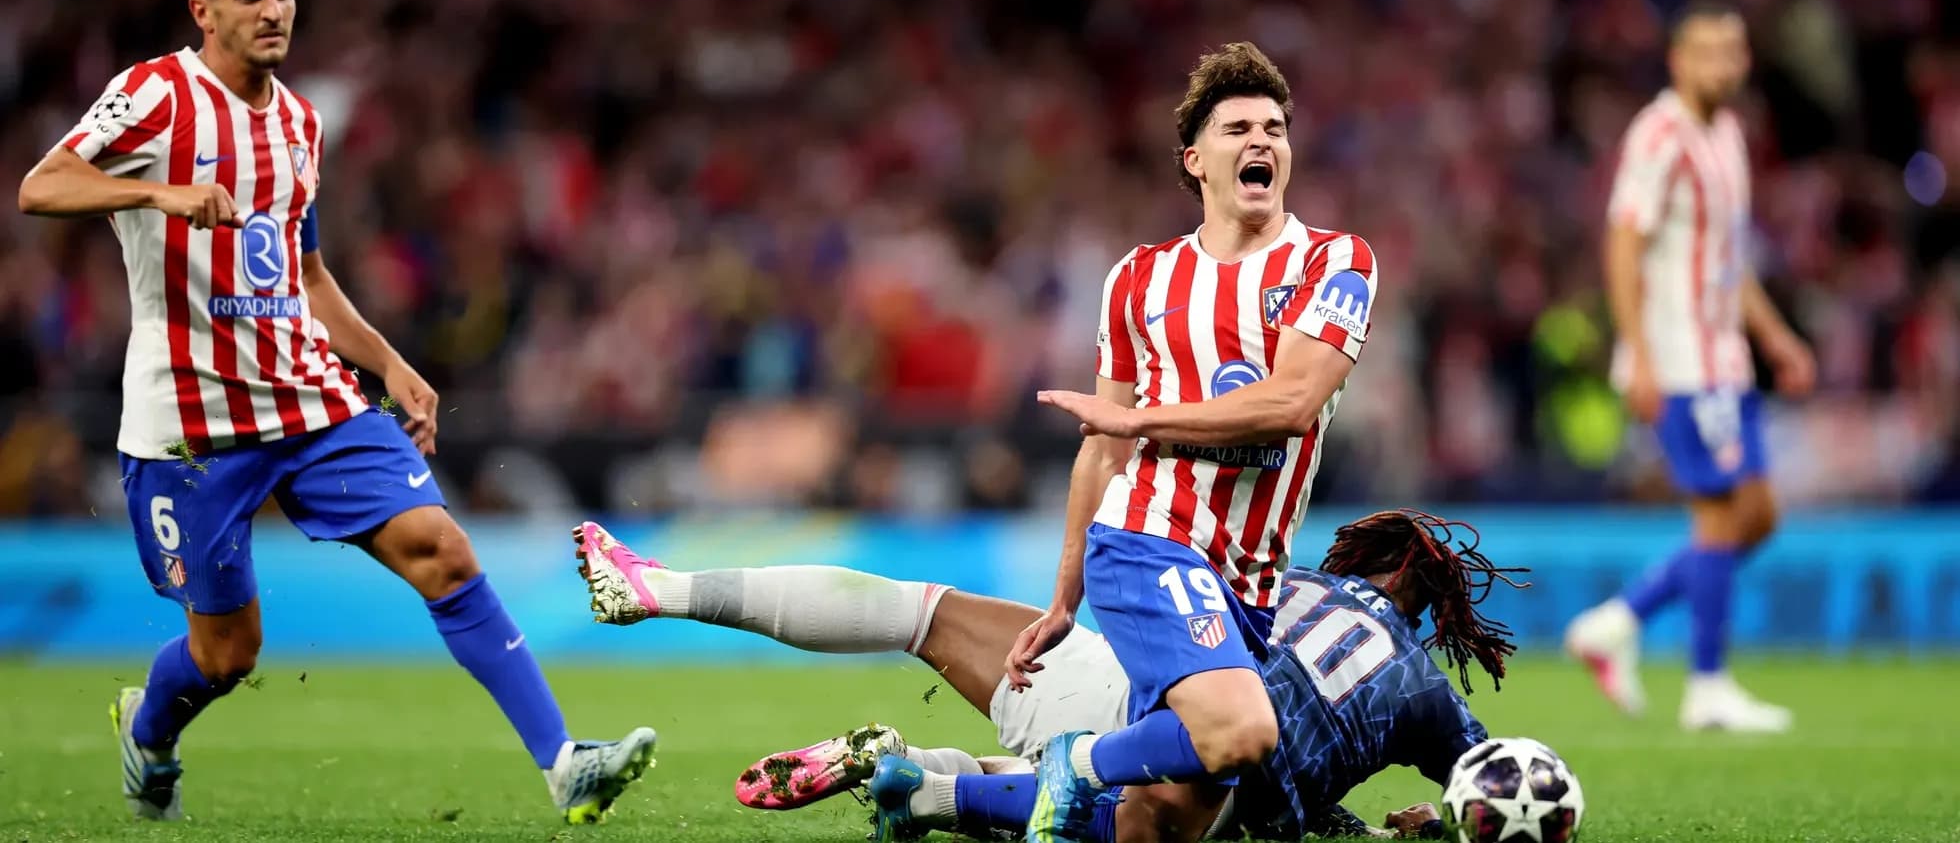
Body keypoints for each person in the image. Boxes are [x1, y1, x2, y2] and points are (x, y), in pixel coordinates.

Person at [16, 0, 654, 824]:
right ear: (204, 10)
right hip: (191, 427)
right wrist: (156, 192)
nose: (273, 10)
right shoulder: (156, 97)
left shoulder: (301, 123)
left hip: (310, 400)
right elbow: (41, 186)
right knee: (228, 653)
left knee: (444, 551)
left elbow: (305, 273)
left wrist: (392, 365)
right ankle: (149, 729)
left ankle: (564, 761)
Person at [572, 512, 1512, 841]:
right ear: (1427, 608)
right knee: (1122, 802)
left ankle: (660, 585)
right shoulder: (1422, 684)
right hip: (1194, 777)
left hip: (1117, 676)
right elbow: (1495, 783)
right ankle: (928, 782)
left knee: (918, 609)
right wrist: (1429, 819)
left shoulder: (1291, 580)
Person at [1009, 42, 1380, 840]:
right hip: (1145, 539)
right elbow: (1101, 452)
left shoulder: (1336, 262)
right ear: (1196, 159)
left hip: (1248, 583)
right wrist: (1064, 597)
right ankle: (1071, 762)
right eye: (1237, 127)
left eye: (1275, 128)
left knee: (1159, 819)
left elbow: (1291, 401)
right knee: (1245, 733)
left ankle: (928, 794)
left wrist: (1141, 419)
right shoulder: (1138, 279)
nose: (1261, 141)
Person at [1565, 0, 1816, 733]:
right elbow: (1623, 243)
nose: (1723, 65)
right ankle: (1708, 686)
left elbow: (1729, 261)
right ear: (1678, 60)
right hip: (1679, 359)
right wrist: (1639, 352)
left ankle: (1616, 621)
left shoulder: (1729, 134)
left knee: (1757, 515)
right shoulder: (1660, 133)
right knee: (1717, 517)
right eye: (1707, 51)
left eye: (1733, 51)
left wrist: (1775, 337)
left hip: (1727, 358)